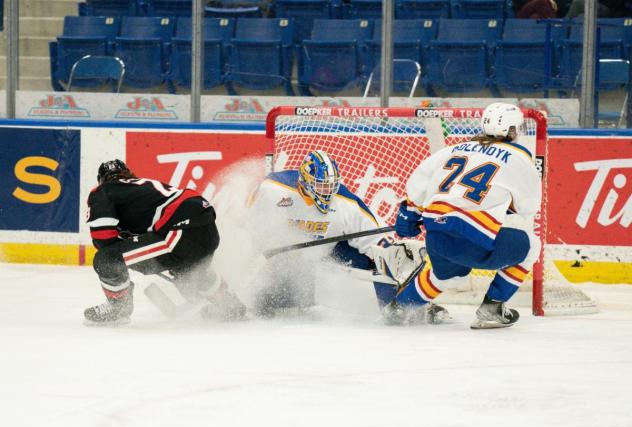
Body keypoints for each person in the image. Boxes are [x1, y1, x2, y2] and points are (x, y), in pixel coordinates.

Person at [245, 150, 449, 323]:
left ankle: (406, 304)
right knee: (264, 302)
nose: (328, 192)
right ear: (306, 181)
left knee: (383, 256)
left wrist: (394, 257)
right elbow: (251, 222)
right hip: (288, 260)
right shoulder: (273, 189)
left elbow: (380, 244)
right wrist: (268, 249)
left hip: (331, 251)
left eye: (331, 185)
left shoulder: (346, 204)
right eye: (321, 186)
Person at [391, 103, 542, 329]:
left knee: (448, 276)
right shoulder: (519, 157)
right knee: (532, 246)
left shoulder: (454, 149)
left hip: (437, 236)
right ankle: (494, 307)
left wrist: (409, 215)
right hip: (473, 241)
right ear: (512, 130)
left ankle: (400, 307)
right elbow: (528, 207)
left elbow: (419, 183)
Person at [84, 159, 246, 325]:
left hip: (179, 232)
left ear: (102, 180)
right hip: (208, 230)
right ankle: (230, 304)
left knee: (107, 259)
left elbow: (103, 238)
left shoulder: (103, 191)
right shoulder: (145, 185)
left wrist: (131, 255)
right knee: (190, 272)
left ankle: (118, 308)